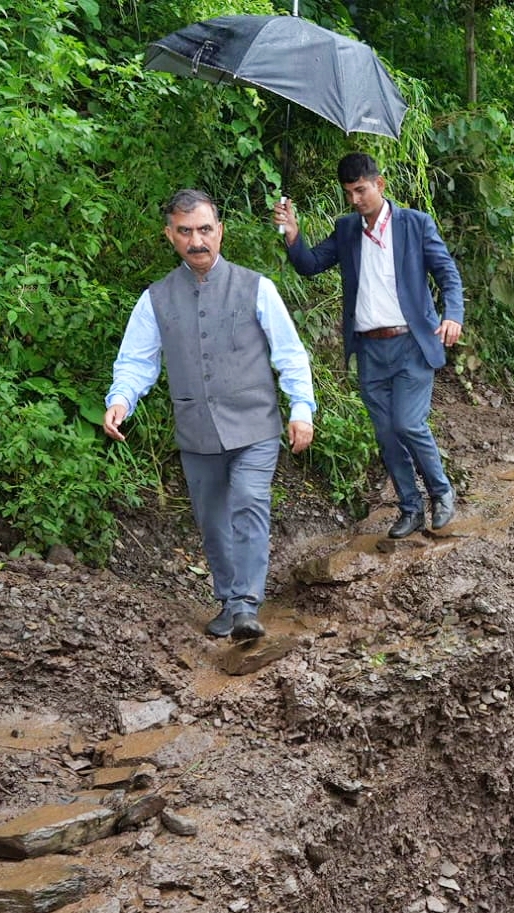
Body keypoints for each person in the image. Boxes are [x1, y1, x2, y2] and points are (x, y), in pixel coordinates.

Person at [106, 189, 316, 642]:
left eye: (205, 229)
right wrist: (120, 401)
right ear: (170, 236)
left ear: (220, 231)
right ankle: (228, 600)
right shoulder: (155, 299)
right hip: (196, 428)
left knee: (248, 500)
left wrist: (301, 409)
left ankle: (246, 605)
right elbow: (136, 361)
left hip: (256, 424)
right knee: (212, 517)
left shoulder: (257, 287)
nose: (196, 240)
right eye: (185, 232)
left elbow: (291, 354)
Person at [275, 153, 462, 541]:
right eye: (348, 193)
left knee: (408, 423)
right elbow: (310, 265)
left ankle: (442, 492)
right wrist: (293, 233)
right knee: (386, 434)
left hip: (412, 343)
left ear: (380, 184)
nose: (355, 199)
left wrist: (453, 314)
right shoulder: (346, 230)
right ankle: (410, 508)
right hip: (370, 350)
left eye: (361, 190)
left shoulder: (415, 224)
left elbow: (447, 274)